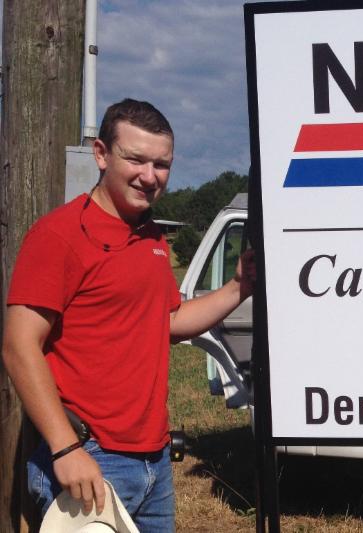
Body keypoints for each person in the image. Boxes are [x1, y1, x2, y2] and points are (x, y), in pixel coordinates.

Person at [2, 98, 255, 532]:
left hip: (153, 459)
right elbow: (18, 345)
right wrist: (65, 449)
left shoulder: (150, 237)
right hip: (89, 457)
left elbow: (167, 321)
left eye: (162, 164)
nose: (149, 176)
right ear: (101, 154)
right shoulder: (59, 235)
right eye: (136, 159)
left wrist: (239, 287)